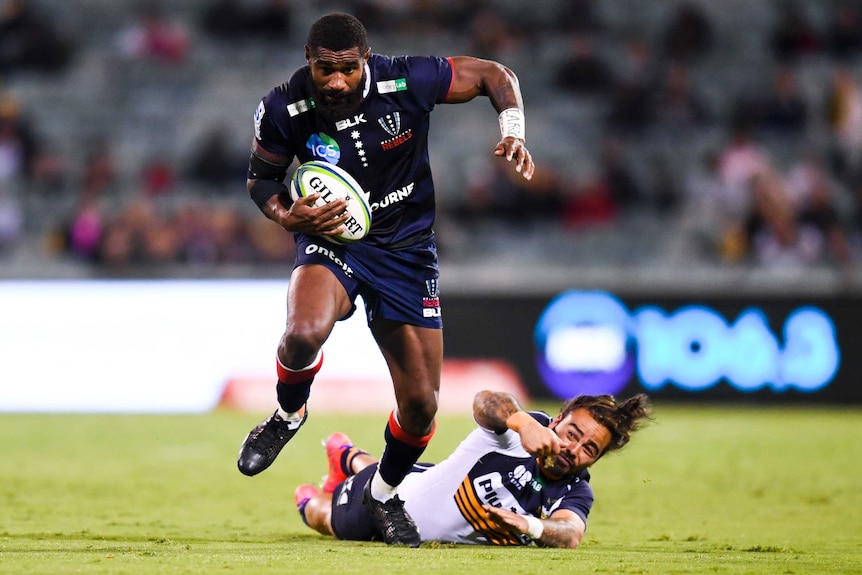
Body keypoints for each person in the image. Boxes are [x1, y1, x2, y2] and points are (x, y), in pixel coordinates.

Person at [235, 12, 535, 548]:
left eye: (346, 69)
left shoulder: (408, 80)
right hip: (334, 240)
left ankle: (385, 493)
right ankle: (287, 413)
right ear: (309, 60)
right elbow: (261, 180)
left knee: (421, 406)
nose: (334, 81)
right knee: (301, 333)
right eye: (324, 68)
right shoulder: (283, 107)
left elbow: (494, 74)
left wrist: (512, 130)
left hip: (406, 252)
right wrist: (286, 216)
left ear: (364, 61)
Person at [293, 389, 651, 548]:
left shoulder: (575, 490)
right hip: (390, 501)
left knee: (417, 474)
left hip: (428, 482)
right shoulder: (521, 430)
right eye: (572, 433)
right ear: (556, 420)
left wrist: (530, 524)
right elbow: (484, 401)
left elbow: (570, 533)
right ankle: (323, 483)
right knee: (325, 519)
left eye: (589, 449)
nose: (573, 450)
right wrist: (522, 422)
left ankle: (348, 455)